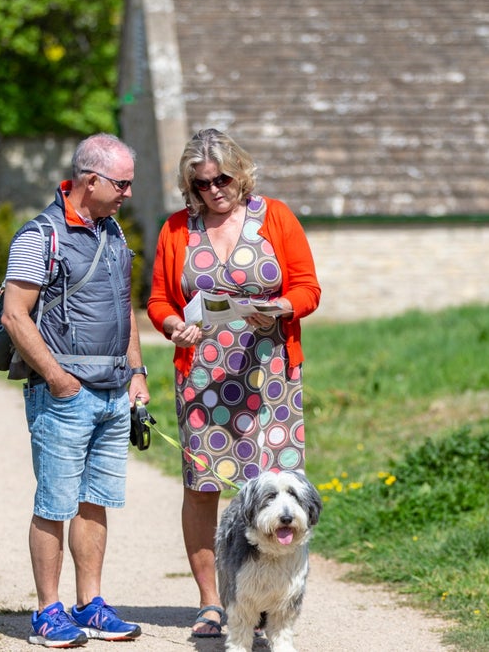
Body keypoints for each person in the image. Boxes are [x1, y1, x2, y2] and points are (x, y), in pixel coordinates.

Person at [147, 128, 321, 638]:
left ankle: (275, 606)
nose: (214, 190)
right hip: (202, 379)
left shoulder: (277, 217)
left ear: (240, 173)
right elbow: (159, 299)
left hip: (269, 376)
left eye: (222, 178)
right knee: (204, 488)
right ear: (190, 187)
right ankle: (211, 603)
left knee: (278, 488)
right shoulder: (176, 229)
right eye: (201, 184)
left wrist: (282, 307)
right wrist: (171, 325)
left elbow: (307, 286)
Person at [1, 133, 150, 648]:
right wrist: (59, 380)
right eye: (122, 184)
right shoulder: (39, 235)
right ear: (92, 181)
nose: (128, 193)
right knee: (55, 504)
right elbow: (14, 315)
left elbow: (123, 309)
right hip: (64, 395)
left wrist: (137, 375)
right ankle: (47, 612)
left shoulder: (113, 234)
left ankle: (91, 605)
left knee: (96, 501)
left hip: (113, 393)